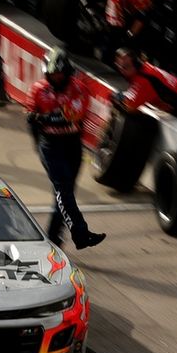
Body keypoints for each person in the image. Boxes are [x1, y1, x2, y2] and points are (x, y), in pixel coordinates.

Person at [27, 46, 107, 249]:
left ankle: (52, 239)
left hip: (72, 146)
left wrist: (43, 118)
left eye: (59, 74)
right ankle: (81, 234)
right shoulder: (37, 89)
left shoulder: (79, 89)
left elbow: (71, 116)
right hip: (50, 146)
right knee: (63, 189)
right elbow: (30, 117)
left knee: (64, 195)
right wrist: (38, 137)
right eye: (51, 75)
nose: (55, 78)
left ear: (67, 71)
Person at [114, 48, 177, 115]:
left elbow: (128, 107)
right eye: (119, 67)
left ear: (136, 64)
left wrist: (117, 97)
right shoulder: (146, 69)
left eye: (126, 67)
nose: (122, 71)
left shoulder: (144, 80)